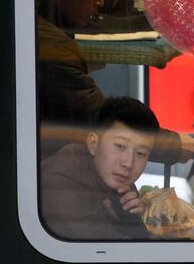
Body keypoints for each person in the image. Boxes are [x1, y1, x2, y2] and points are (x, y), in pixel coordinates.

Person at [36, 0, 194, 163]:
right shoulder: (54, 47)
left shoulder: (45, 29)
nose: (100, 0)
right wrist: (174, 145)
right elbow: (102, 122)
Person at [40, 97, 158, 240]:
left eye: (141, 153)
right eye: (120, 146)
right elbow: (106, 251)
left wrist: (132, 220)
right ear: (93, 144)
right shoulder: (61, 180)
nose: (128, 162)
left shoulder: (116, 177)